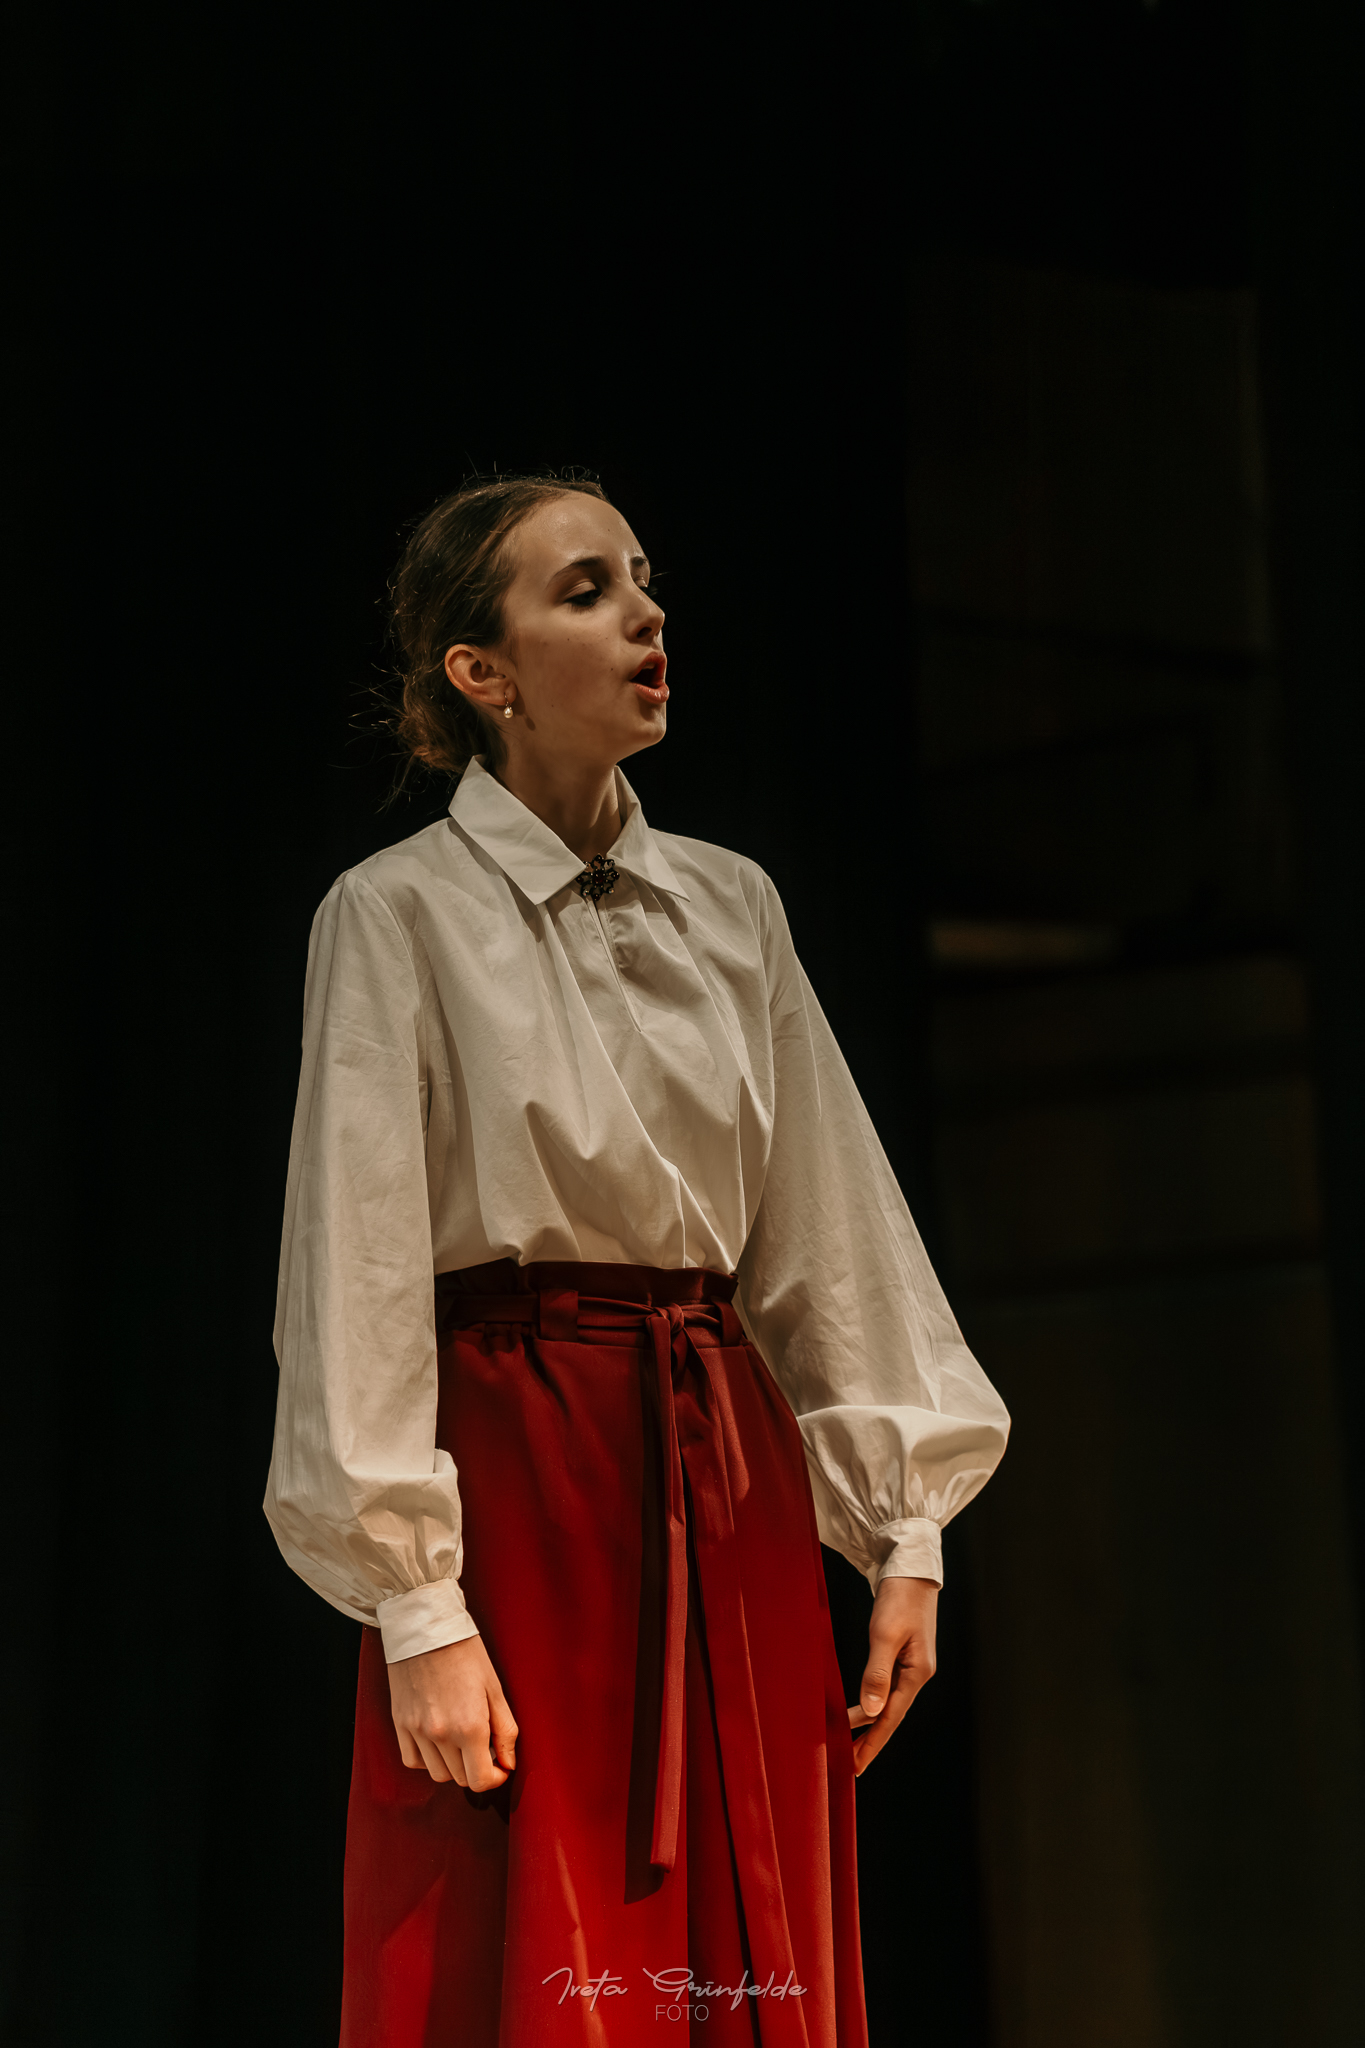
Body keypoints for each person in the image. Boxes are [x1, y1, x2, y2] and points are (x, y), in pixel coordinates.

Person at [265, 473, 1010, 2048]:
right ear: (483, 670)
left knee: (752, 1940)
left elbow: (824, 1231)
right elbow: (356, 1269)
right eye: (587, 590)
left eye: (643, 580)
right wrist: (416, 1609)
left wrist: (903, 1532)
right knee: (544, 1945)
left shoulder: (731, 905)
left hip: (721, 1460)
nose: (646, 614)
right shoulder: (394, 916)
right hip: (524, 1470)